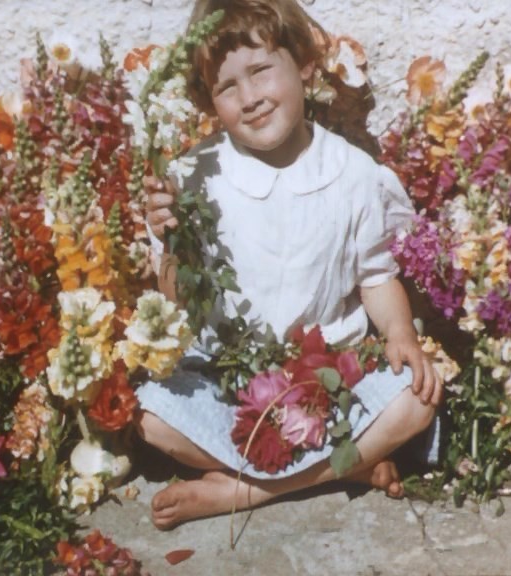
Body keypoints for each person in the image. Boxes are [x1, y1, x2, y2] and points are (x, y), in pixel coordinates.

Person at [135, 0, 441, 531]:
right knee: (146, 415)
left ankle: (244, 490)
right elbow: (176, 301)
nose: (250, 98)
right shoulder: (194, 175)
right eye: (227, 87)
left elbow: (375, 275)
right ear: (209, 100)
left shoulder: (351, 174)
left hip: (327, 385)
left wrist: (399, 334)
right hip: (229, 381)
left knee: (417, 399)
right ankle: (345, 468)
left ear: (302, 65)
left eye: (260, 71)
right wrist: (171, 243)